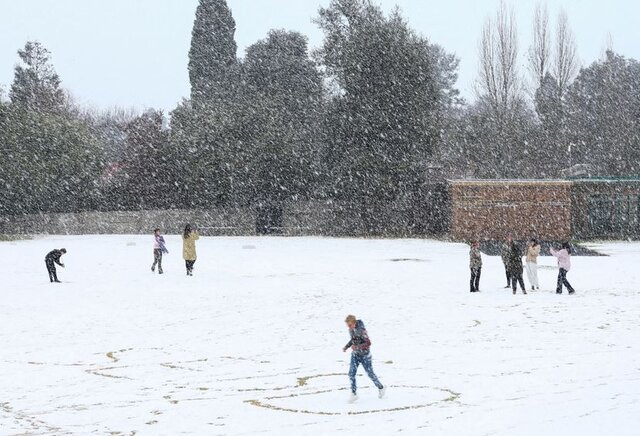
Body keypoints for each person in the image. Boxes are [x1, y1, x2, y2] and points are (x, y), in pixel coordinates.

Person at [342, 315, 385, 403]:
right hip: (355, 355)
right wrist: (346, 347)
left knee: (370, 374)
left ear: (354, 323)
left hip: (365, 356)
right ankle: (354, 394)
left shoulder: (362, 330)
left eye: (350, 325)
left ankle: (381, 387)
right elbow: (353, 340)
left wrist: (357, 347)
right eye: (347, 326)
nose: (348, 327)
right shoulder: (350, 329)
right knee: (351, 374)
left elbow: (368, 343)